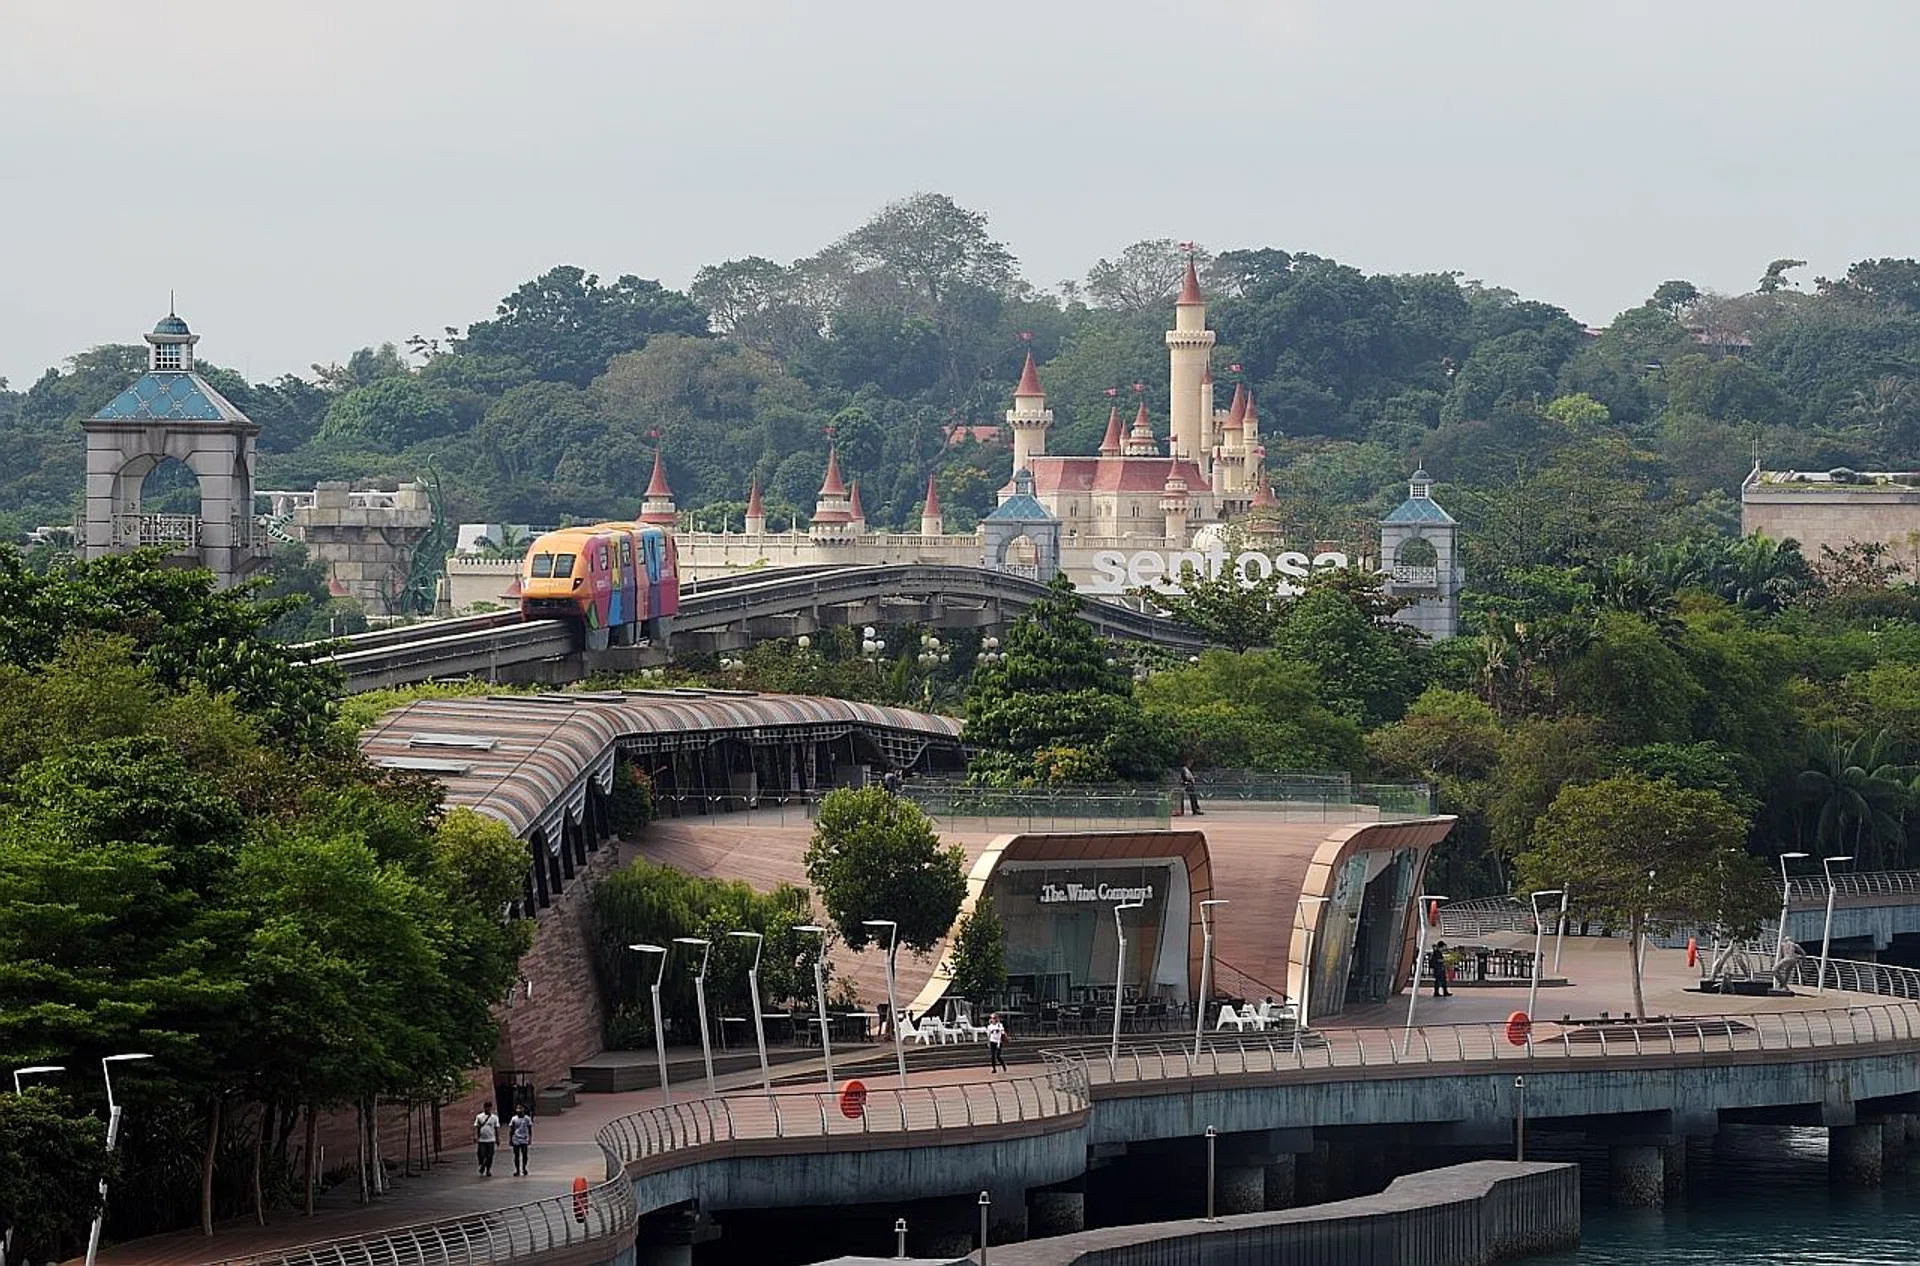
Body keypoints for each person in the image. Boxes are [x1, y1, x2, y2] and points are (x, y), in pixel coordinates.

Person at [473, 1100, 500, 1176]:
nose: (488, 1109)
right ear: (484, 1107)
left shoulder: (494, 1118)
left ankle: (488, 1170)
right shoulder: (479, 1117)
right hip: (482, 1140)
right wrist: (476, 1136)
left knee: (489, 1156)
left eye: (489, 1107)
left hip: (491, 1139)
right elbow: (477, 1127)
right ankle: (482, 1164)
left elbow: (496, 1128)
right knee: (481, 1154)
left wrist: (497, 1138)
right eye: (486, 1107)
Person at [507, 1104, 534, 1176]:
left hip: (524, 1139)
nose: (518, 1110)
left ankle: (524, 1168)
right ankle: (517, 1170)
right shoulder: (514, 1119)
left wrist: (530, 1138)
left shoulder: (527, 1119)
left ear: (523, 1109)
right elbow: (511, 1130)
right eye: (517, 1108)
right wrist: (510, 1139)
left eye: (520, 1108)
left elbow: (529, 1129)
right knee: (516, 1155)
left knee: (525, 1154)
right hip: (516, 1139)